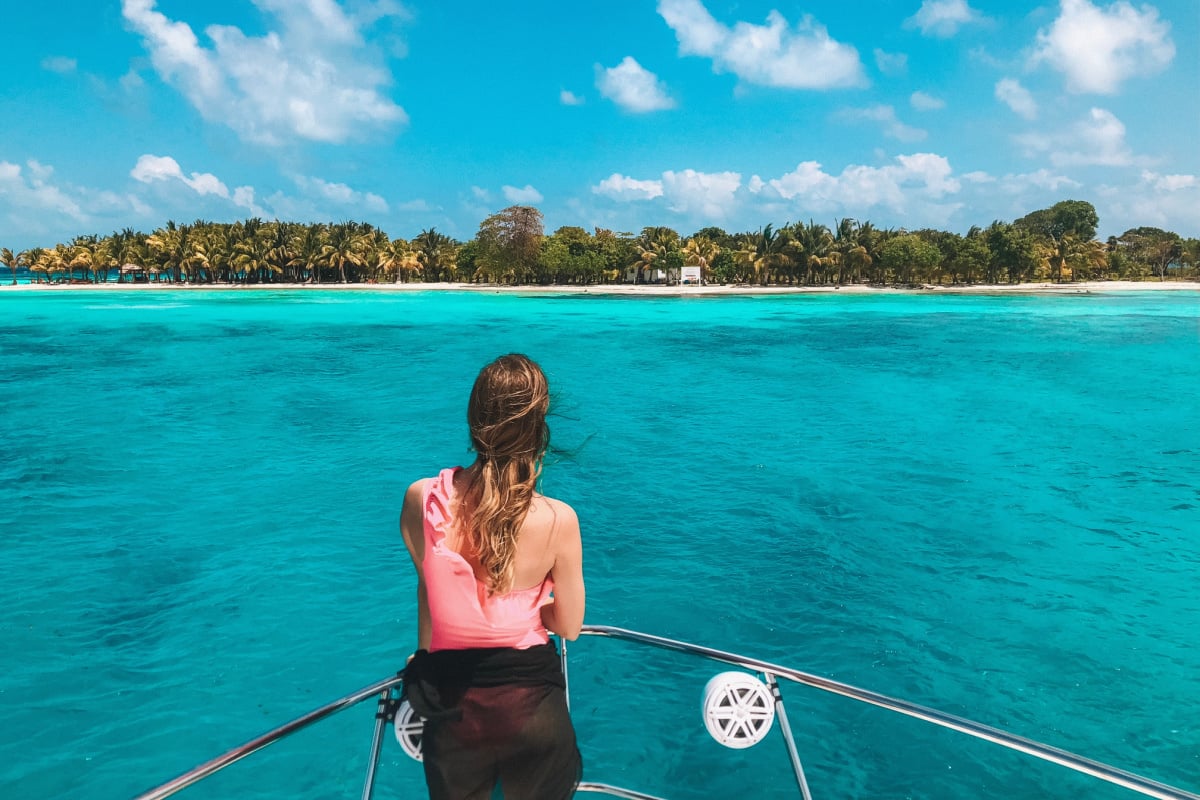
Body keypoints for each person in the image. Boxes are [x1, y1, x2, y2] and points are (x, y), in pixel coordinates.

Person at [399, 353, 585, 800]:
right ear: (539, 429)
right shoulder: (559, 519)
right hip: (533, 713)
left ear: (473, 418)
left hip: (453, 710)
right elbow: (570, 628)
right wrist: (535, 602)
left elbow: (429, 586)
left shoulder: (421, 499)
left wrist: (423, 653)